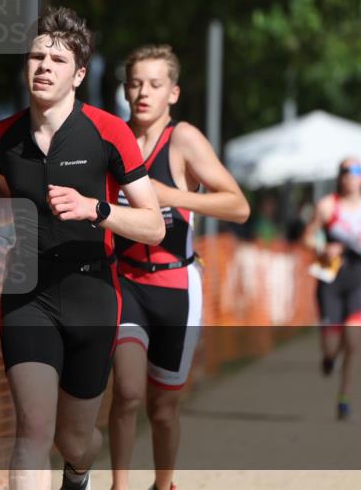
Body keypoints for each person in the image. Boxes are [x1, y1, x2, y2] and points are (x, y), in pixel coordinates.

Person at [0, 7, 165, 490]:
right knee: (32, 431)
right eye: (36, 56)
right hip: (27, 291)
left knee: (74, 440)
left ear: (78, 74)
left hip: (91, 291)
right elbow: (12, 192)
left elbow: (153, 225)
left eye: (57, 60)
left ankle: (78, 474)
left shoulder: (108, 132)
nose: (43, 66)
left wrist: (96, 209)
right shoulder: (1, 136)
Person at [107, 45, 249, 490]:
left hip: (176, 287)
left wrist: (174, 196)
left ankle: (163, 484)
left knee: (163, 408)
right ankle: (119, 485)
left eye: (154, 84)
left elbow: (238, 206)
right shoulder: (114, 137)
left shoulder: (183, 138)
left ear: (173, 92)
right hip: (125, 280)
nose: (143, 92)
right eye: (135, 83)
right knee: (127, 393)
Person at [302, 158, 361, 420]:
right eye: (346, 171)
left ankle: (344, 398)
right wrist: (321, 248)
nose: (351, 176)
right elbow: (307, 237)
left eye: (357, 171)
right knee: (331, 345)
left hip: (358, 275)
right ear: (340, 177)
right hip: (330, 278)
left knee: (354, 340)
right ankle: (329, 358)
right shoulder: (327, 206)